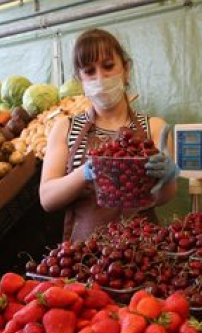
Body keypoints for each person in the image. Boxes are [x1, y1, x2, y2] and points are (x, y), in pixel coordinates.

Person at [39, 28, 180, 241]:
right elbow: (47, 199)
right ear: (80, 79)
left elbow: (162, 198)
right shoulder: (65, 128)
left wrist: (168, 178)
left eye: (108, 66)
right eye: (89, 71)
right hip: (84, 254)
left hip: (142, 251)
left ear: (126, 69)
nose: (100, 78)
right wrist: (84, 173)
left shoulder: (155, 127)